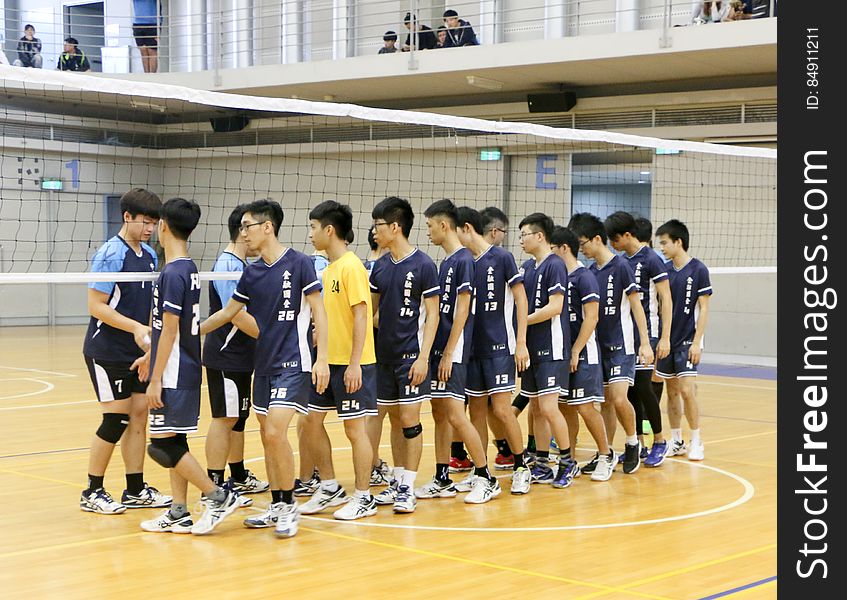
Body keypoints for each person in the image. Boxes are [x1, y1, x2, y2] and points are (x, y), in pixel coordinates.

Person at [201, 199, 330, 537]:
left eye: (248, 227)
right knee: (267, 437)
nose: (243, 234)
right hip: (264, 365)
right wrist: (190, 331)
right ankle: (277, 504)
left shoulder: (301, 263)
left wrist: (323, 358)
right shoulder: (252, 272)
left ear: (267, 227)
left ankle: (288, 507)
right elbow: (229, 312)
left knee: (275, 432)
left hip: (295, 364)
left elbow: (319, 311)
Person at [140, 197, 239, 535]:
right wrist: (148, 356)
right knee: (175, 442)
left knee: (163, 445)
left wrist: (154, 378)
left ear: (164, 226)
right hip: (178, 366)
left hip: (173, 373)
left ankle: (218, 495)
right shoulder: (188, 268)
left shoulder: (173, 272)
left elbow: (170, 328)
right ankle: (178, 510)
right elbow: (171, 328)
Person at [80, 188, 170, 515]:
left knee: (139, 415)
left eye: (154, 223)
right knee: (115, 419)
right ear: (127, 217)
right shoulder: (110, 254)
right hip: (106, 350)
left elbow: (147, 305)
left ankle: (135, 489)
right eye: (144, 222)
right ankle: (92, 490)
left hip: (135, 353)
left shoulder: (148, 254)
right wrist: (134, 328)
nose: (150, 229)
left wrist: (147, 345)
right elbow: (95, 306)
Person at [297, 200, 379, 520]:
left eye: (313, 228)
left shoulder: (351, 266)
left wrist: (355, 363)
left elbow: (361, 315)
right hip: (327, 362)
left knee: (354, 431)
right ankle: (329, 485)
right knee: (311, 421)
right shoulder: (329, 268)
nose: (310, 234)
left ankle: (363, 496)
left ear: (329, 230)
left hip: (353, 363)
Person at [418, 199, 500, 504]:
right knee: (440, 413)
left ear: (443, 225)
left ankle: (486, 476)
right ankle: (442, 476)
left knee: (454, 413)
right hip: (440, 349)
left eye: (429, 225)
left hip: (455, 350)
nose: (427, 232)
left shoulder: (464, 260)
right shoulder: (446, 262)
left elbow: (463, 309)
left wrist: (450, 351)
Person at [368, 196, 440, 514]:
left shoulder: (424, 265)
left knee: (410, 420)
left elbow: (433, 315)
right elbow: (370, 314)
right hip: (383, 358)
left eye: (378, 225)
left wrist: (424, 358)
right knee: (392, 420)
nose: (374, 231)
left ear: (395, 227)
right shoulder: (380, 266)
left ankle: (408, 487)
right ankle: (398, 481)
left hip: (412, 357)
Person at [567, 212, 654, 475]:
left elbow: (637, 306)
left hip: (622, 345)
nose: (581, 249)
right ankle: (605, 453)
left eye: (583, 243)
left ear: (596, 239)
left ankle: (632, 442)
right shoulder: (590, 272)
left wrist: (645, 342)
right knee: (604, 402)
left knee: (618, 398)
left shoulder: (622, 266)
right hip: (598, 347)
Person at [455, 206, 532, 494]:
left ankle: (521, 466)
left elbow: (521, 301)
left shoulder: (502, 257)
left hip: (500, 347)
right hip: (472, 350)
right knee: (476, 411)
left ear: (466, 228)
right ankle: (480, 471)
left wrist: (521, 342)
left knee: (501, 409)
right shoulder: (463, 261)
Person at [202, 206, 268, 498]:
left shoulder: (242, 265)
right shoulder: (228, 265)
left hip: (241, 357)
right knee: (224, 418)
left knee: (239, 417)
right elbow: (236, 316)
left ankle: (238, 475)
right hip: (225, 355)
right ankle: (213, 485)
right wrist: (273, 340)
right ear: (243, 230)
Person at [605, 212, 672, 468]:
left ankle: (660, 441)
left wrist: (663, 337)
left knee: (644, 388)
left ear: (628, 235)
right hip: (626, 335)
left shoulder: (651, 259)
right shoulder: (622, 262)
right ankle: (640, 444)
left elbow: (666, 298)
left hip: (649, 334)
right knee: (631, 391)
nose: (613, 244)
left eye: (615, 239)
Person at [517, 213, 578, 489]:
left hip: (552, 348)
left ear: (539, 236)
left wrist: (523, 320)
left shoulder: (555, 265)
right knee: (537, 408)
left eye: (524, 234)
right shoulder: (527, 268)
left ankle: (567, 461)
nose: (521, 240)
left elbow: (556, 307)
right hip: (531, 348)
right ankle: (542, 462)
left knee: (550, 408)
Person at [551, 226, 615, 481]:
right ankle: (571, 460)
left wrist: (576, 350)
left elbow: (592, 317)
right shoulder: (559, 277)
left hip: (584, 354)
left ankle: (606, 454)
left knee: (586, 408)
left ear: (563, 248)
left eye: (552, 249)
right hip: (563, 355)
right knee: (566, 409)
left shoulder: (583, 277)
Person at [655, 219, 712, 461]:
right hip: (667, 341)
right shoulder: (665, 272)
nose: (662, 248)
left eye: (665, 243)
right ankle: (676, 439)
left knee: (688, 391)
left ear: (679, 242)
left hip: (688, 341)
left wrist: (698, 341)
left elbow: (704, 308)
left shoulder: (699, 269)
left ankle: (696, 440)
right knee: (672, 392)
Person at [132, 0, 159, 73]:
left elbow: (159, 7)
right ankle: (146, 75)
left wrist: (159, 25)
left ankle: (152, 76)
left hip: (152, 24)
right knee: (143, 51)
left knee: (152, 51)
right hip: (138, 24)